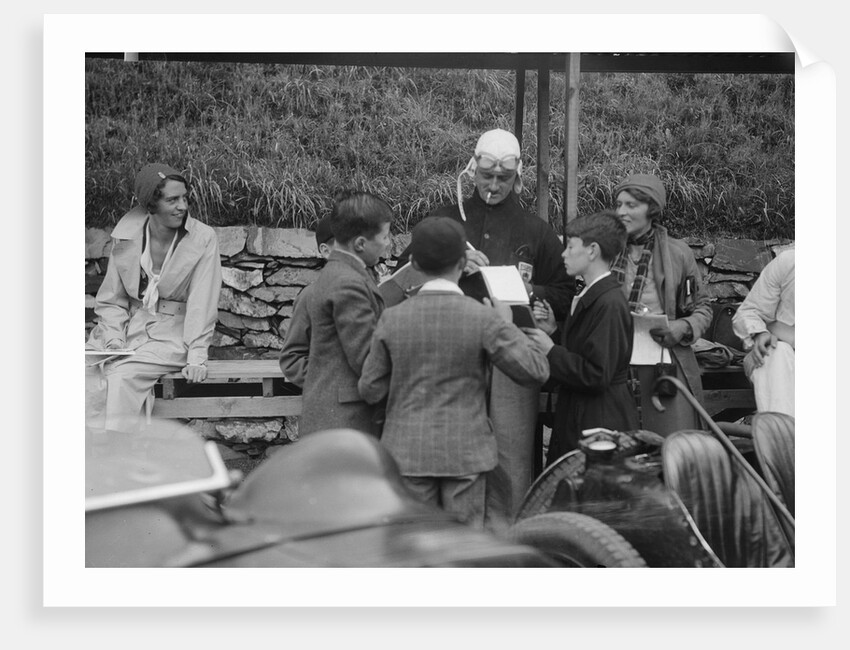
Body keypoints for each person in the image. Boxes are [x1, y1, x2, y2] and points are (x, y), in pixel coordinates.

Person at [419, 128, 574, 521]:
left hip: (513, 349)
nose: (493, 186)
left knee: (513, 450)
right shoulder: (444, 220)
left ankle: (510, 536)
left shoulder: (535, 230)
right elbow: (410, 274)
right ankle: (456, 532)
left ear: (517, 176)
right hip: (453, 350)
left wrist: (532, 289)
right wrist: (451, 267)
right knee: (456, 446)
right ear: (473, 171)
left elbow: (564, 289)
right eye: (486, 177)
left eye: (503, 179)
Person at [358, 217, 550, 529]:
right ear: (463, 262)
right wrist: (505, 322)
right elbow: (536, 369)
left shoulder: (391, 319)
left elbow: (370, 389)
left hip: (407, 453)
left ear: (415, 264)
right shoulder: (483, 319)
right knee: (461, 551)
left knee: (414, 549)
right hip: (466, 455)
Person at [85, 163, 222, 434]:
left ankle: (117, 453)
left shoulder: (203, 238)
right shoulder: (126, 236)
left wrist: (196, 356)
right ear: (151, 205)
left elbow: (202, 302)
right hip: (126, 329)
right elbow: (112, 298)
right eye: (172, 200)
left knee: (121, 376)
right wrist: (113, 338)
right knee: (84, 372)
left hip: (172, 334)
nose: (182, 206)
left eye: (185, 198)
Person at [527, 211, 639, 463]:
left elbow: (596, 374)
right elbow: (583, 354)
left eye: (570, 246)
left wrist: (550, 350)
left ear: (592, 251)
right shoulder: (592, 295)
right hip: (583, 413)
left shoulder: (609, 303)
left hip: (600, 421)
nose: (563, 254)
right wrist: (553, 331)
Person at [610, 173, 713, 435]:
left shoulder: (678, 254)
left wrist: (683, 327)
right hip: (614, 363)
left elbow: (703, 308)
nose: (621, 211)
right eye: (619, 204)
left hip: (663, 365)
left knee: (673, 444)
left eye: (631, 205)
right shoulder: (604, 250)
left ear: (652, 209)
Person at [298, 190, 392, 436]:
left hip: (335, 415)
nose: (388, 243)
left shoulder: (338, 271)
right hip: (346, 420)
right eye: (385, 236)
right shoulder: (348, 283)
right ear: (360, 244)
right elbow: (368, 359)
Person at [732, 248, 795, 417]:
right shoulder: (789, 262)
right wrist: (759, 333)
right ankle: (781, 436)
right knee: (776, 351)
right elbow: (749, 312)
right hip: (785, 358)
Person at [277, 215, 334, 387]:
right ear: (325, 251)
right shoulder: (311, 296)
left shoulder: (376, 290)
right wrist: (334, 381)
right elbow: (292, 359)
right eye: (345, 245)